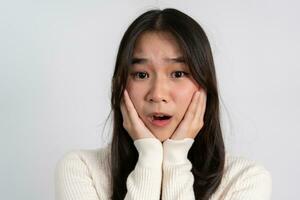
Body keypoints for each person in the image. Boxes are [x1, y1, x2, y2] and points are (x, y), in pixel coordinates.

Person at [55, 8, 272, 200]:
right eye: (141, 74)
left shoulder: (245, 180)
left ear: (204, 86)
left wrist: (175, 157)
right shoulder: (82, 170)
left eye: (178, 73)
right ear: (120, 86)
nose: (157, 94)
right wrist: (149, 157)